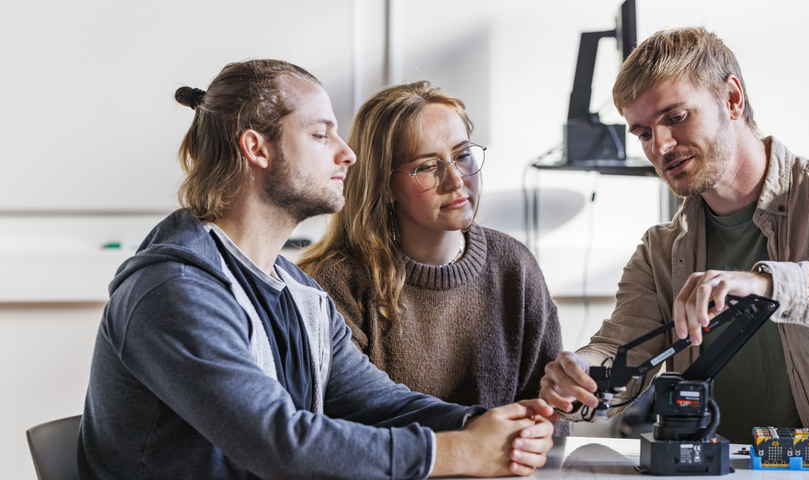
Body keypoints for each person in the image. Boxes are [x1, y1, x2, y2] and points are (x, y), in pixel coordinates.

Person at [78, 59, 553, 480]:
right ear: (256, 149)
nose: (346, 153)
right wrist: (459, 451)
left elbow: (379, 404)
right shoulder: (174, 290)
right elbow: (280, 445)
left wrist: (488, 426)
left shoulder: (296, 290)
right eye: (321, 135)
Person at [539, 27, 809, 455]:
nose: (660, 146)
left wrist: (770, 287)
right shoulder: (660, 250)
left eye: (675, 117)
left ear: (732, 99)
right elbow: (617, 349)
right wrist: (581, 374)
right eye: (643, 133)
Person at [297, 82, 565, 429]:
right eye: (427, 166)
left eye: (463, 155)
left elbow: (551, 416)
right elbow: (341, 431)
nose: (455, 180)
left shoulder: (514, 265)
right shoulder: (332, 284)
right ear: (385, 186)